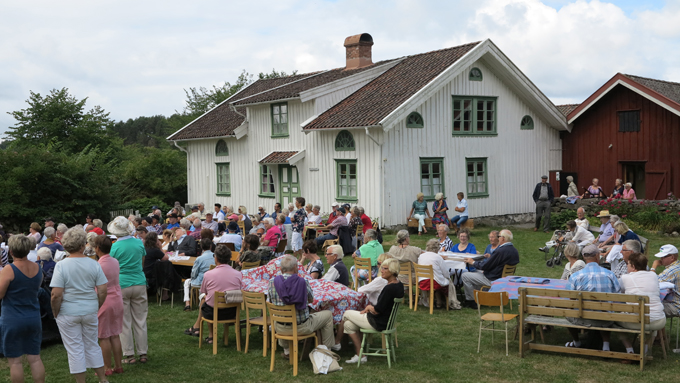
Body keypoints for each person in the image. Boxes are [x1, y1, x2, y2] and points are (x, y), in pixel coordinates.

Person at [50, 228, 109, 383]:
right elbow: (103, 290)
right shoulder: (94, 264)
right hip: (89, 309)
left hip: (68, 311)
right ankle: (103, 379)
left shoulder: (61, 266)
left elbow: (56, 294)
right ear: (83, 245)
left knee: (75, 348)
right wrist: (97, 305)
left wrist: (55, 312)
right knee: (92, 345)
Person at [268, 255, 335, 358]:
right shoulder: (302, 282)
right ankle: (327, 351)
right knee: (328, 315)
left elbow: (270, 301)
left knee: (282, 312)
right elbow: (311, 300)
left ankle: (287, 351)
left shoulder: (272, 283)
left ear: (281, 269)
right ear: (296, 267)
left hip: (279, 327)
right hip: (301, 327)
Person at [0, 234, 46, 383]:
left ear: (11, 251)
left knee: (15, 362)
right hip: (33, 317)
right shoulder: (37, 267)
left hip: (12, 319)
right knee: (35, 358)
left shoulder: (9, 269)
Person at [341, 258, 404, 364]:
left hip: (378, 322)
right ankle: (360, 355)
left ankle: (337, 343)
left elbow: (377, 310)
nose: (381, 270)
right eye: (382, 268)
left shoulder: (389, 288)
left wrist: (369, 307)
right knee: (348, 325)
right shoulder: (399, 284)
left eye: (385, 268)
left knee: (346, 313)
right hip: (386, 321)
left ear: (392, 271)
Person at [107, 216, 148, 365]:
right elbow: (142, 262)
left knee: (124, 321)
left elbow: (112, 267)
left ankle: (129, 354)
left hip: (122, 284)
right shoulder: (138, 243)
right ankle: (143, 352)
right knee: (140, 319)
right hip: (139, 282)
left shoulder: (114, 247)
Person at [564, 244, 620, 350]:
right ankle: (606, 345)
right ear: (597, 256)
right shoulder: (610, 274)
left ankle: (576, 342)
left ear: (584, 257)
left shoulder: (575, 276)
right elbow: (617, 295)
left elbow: (570, 300)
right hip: (605, 319)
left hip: (581, 318)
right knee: (606, 312)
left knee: (568, 311)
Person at [617, 252, 667, 356]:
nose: (627, 266)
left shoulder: (625, 278)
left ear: (633, 266)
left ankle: (629, 349)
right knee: (650, 320)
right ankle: (645, 350)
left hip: (637, 321)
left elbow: (619, 291)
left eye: (628, 264)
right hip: (658, 320)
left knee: (614, 320)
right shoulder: (653, 275)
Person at [462, 229, 520, 309]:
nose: (498, 238)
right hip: (504, 278)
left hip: (493, 279)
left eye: (499, 236)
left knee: (465, 275)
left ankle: (472, 301)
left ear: (503, 238)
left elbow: (485, 266)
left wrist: (472, 262)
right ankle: (481, 296)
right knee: (476, 272)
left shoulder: (500, 251)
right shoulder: (514, 250)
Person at [94, 236, 124, 377]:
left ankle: (107, 368)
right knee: (115, 334)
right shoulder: (115, 261)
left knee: (104, 336)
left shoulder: (98, 265)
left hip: (104, 300)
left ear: (97, 248)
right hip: (117, 299)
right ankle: (118, 366)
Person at [417, 239, 454, 308]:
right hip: (433, 282)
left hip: (422, 281)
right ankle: (443, 302)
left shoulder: (421, 256)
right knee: (445, 281)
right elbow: (445, 272)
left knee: (438, 278)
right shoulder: (438, 257)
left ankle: (437, 301)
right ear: (437, 248)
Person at [182, 238, 215, 313]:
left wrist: (193, 278)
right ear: (210, 246)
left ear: (201, 247)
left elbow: (194, 273)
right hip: (212, 281)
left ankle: (187, 303)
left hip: (201, 281)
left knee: (187, 282)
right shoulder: (216, 257)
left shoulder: (199, 259)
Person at [652, 244, 680, 316]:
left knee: (649, 308)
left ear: (672, 257)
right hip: (674, 302)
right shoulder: (677, 266)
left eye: (663, 257)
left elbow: (651, 281)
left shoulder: (671, 270)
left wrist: (654, 267)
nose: (661, 259)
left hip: (675, 305)